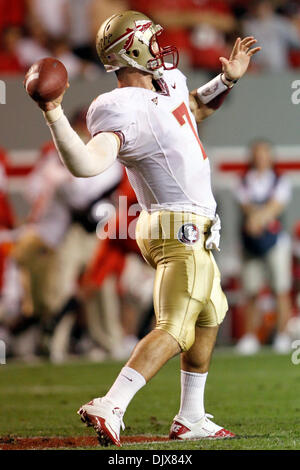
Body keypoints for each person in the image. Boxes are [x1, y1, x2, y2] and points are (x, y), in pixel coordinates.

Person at [25, 10, 260, 446]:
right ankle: (111, 403)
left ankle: (190, 417)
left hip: (192, 223)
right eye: (149, 39)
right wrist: (54, 113)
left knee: (211, 314)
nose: (159, 45)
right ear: (130, 49)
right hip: (175, 221)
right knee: (176, 326)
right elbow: (87, 164)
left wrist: (226, 81)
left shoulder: (166, 82)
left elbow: (190, 110)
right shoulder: (119, 107)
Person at [235, 140, 293, 355]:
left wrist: (257, 221)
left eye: (264, 153)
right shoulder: (243, 180)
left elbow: (276, 206)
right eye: (257, 153)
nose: (260, 157)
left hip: (275, 242)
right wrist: (255, 220)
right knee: (250, 290)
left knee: (280, 289)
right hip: (251, 243)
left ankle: (282, 334)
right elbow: (245, 204)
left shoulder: (279, 180)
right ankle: (250, 335)